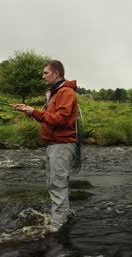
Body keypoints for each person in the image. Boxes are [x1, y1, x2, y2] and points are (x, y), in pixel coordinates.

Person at [14, 60, 78, 231]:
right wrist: (30, 111)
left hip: (62, 145)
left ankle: (58, 228)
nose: (43, 76)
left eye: (45, 73)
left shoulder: (65, 93)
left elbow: (61, 119)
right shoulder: (54, 92)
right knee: (54, 184)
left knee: (57, 185)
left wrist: (35, 112)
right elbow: (50, 116)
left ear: (56, 74)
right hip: (54, 144)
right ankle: (61, 219)